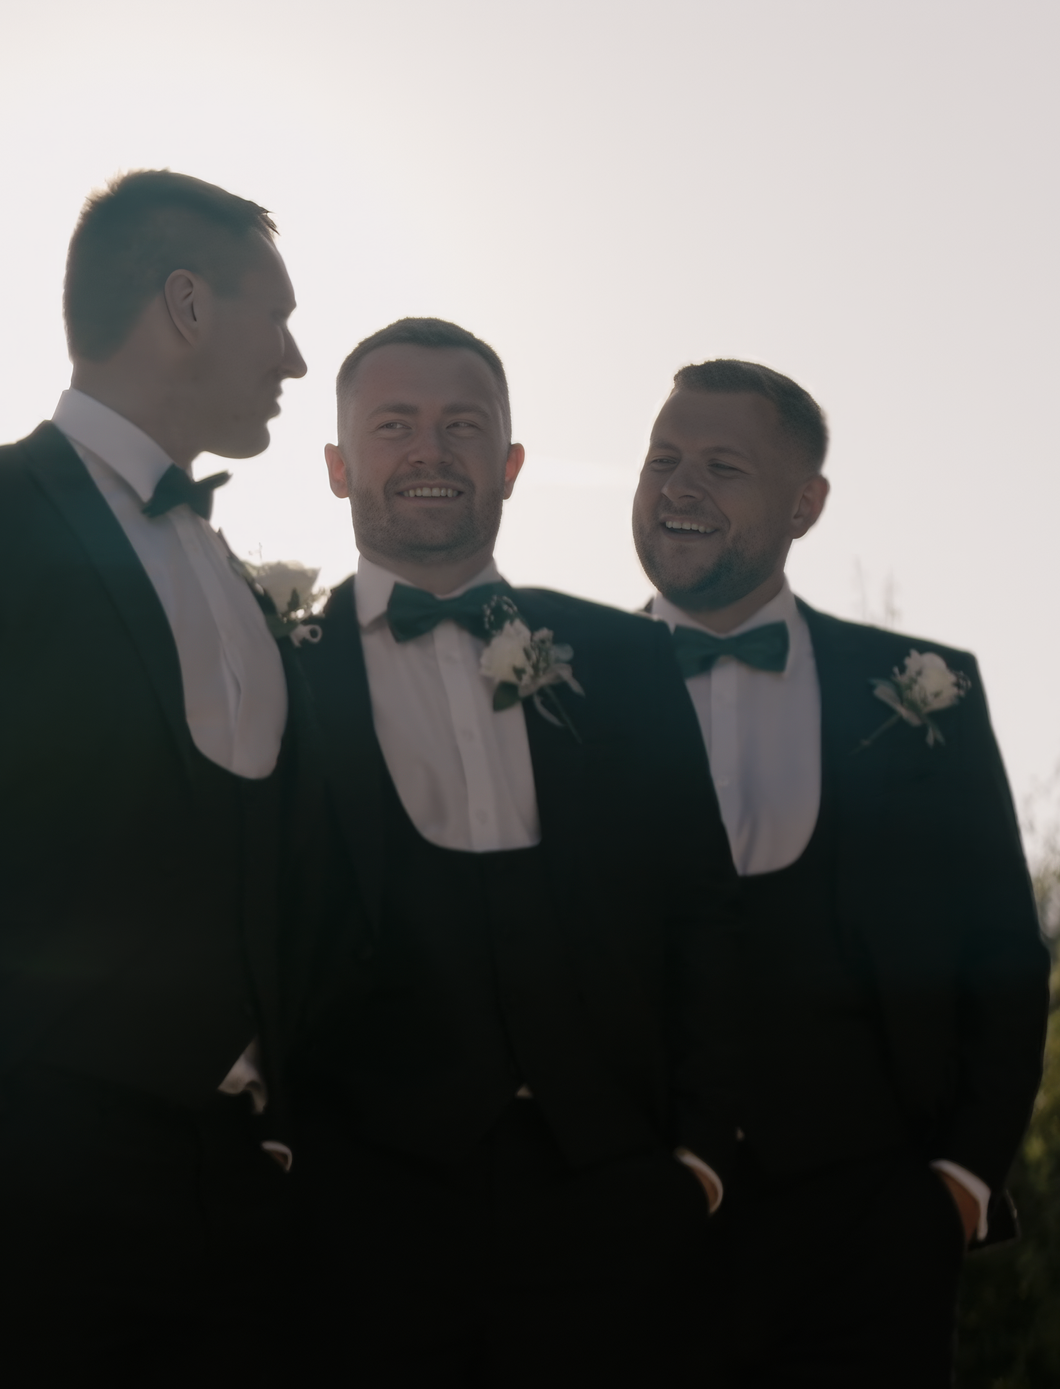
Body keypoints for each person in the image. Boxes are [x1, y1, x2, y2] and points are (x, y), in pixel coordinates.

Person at [0, 169, 309, 1385]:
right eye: (279, 317)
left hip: (234, 1188)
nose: (298, 360)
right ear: (187, 306)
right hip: (22, 1172)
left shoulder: (239, 586)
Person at [285, 317, 739, 1385]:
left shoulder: (627, 655)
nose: (429, 450)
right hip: (355, 1214)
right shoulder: (276, 661)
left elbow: (702, 908)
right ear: (340, 466)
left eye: (463, 424)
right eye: (394, 425)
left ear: (511, 463)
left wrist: (702, 1160)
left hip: (614, 1200)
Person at [632, 358, 1047, 1384]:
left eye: (721, 464)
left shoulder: (924, 693)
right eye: (662, 458)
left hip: (873, 1235)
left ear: (805, 502)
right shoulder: (550, 678)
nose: (679, 486)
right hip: (626, 1230)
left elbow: (1001, 950)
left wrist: (954, 1181)